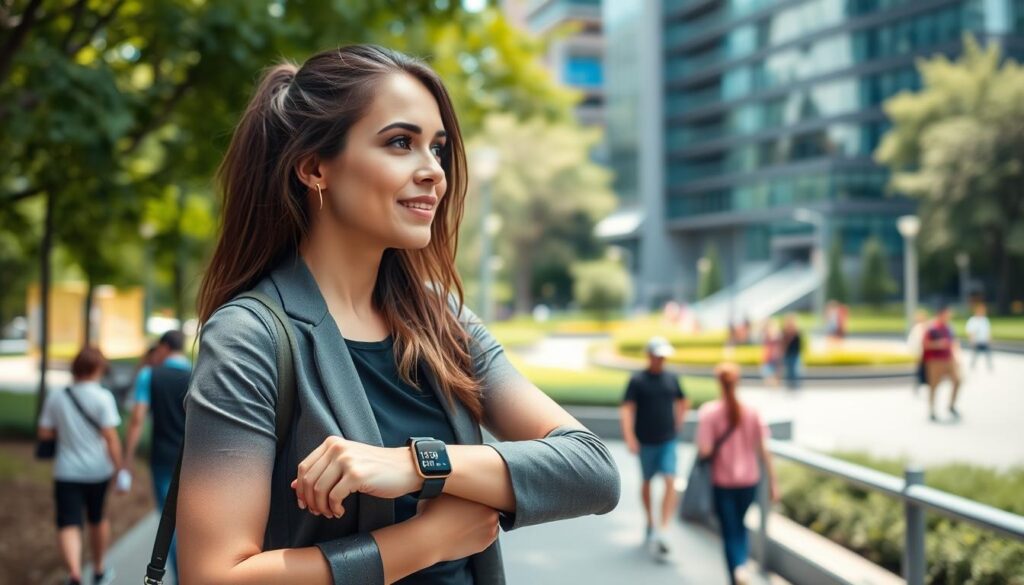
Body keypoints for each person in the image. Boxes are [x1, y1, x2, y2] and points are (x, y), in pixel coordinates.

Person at [176, 45, 620, 584]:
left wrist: (417, 465)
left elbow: (593, 469)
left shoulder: (442, 320)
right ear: (315, 167)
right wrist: (423, 542)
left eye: (437, 148)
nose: (434, 171)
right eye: (400, 143)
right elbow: (214, 577)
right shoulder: (251, 337)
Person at [37, 346, 122, 585]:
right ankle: (98, 569)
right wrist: (120, 469)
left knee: (68, 522)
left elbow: (44, 432)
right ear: (98, 368)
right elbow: (111, 438)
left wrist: (65, 431)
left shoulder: (57, 395)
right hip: (98, 471)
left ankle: (74, 573)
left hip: (67, 471)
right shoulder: (103, 397)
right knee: (97, 518)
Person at [696, 363, 778, 585]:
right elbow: (764, 451)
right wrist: (773, 483)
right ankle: (741, 565)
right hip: (749, 481)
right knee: (740, 526)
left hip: (723, 482)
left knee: (729, 530)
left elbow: (704, 449)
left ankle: (737, 570)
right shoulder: (752, 412)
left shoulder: (709, 412)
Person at [121, 329, 191, 577]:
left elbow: (138, 419)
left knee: (168, 524)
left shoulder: (150, 375)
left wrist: (126, 459)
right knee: (192, 524)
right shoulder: (197, 373)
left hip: (162, 458)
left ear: (163, 348)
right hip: (193, 460)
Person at [619, 336, 688, 561]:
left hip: (667, 439)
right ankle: (650, 520)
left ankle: (664, 528)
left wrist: (678, 422)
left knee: (670, 479)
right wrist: (630, 437)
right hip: (646, 440)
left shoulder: (671, 378)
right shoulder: (638, 381)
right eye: (657, 356)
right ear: (649, 356)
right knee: (647, 481)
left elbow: (683, 400)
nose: (660, 360)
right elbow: (627, 409)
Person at [924, 304, 961, 421]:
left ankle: (951, 405)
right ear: (940, 314)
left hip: (948, 359)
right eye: (946, 314)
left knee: (957, 380)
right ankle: (932, 409)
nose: (948, 316)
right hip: (935, 361)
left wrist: (956, 357)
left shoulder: (949, 328)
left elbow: (954, 342)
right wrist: (939, 344)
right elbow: (925, 344)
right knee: (934, 386)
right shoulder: (932, 328)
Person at [906, 309, 929, 394]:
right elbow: (917, 342)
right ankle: (918, 385)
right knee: (920, 370)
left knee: (921, 369)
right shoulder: (919, 328)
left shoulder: (923, 327)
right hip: (920, 352)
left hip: (922, 352)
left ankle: (920, 384)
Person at [965, 303, 994, 371]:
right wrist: (971, 339)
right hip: (976, 341)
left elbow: (988, 330)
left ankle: (989, 366)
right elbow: (970, 331)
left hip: (984, 340)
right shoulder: (972, 320)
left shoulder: (985, 320)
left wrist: (989, 338)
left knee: (988, 354)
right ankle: (972, 366)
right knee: (975, 355)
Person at [781, 314, 803, 390]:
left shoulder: (797, 332)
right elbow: (783, 344)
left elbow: (799, 344)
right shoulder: (784, 332)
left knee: (796, 372)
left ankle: (796, 388)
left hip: (795, 355)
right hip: (787, 355)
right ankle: (789, 388)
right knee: (788, 373)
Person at [759, 319, 781, 387]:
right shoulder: (766, 337)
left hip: (774, 360)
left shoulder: (776, 338)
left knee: (775, 378)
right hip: (768, 359)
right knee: (767, 378)